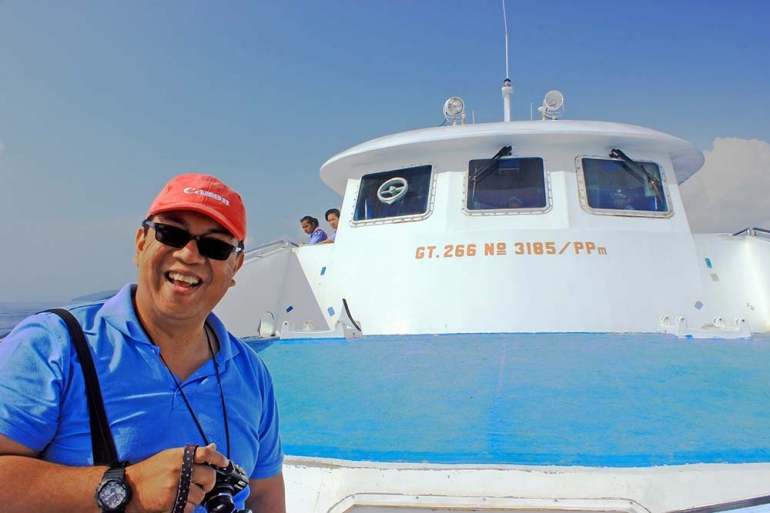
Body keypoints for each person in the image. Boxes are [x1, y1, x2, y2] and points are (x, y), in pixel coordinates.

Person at [0, 173, 285, 512]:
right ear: (140, 243)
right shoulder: (51, 344)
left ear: (235, 266)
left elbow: (265, 494)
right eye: (172, 234)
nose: (190, 255)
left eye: (216, 246)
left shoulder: (252, 372)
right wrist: (126, 487)